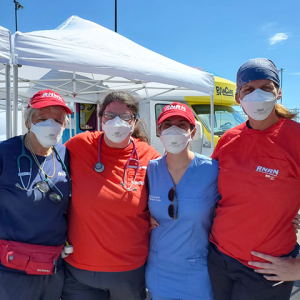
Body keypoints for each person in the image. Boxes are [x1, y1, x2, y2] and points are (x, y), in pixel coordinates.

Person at [207, 58, 300, 300]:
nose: (257, 95)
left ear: (278, 93)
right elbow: (211, 194)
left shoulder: (296, 139)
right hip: (219, 257)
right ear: (239, 97)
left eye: (266, 88)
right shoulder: (227, 140)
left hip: (267, 268)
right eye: (249, 89)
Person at [61, 91, 160, 300]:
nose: (117, 122)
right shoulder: (79, 145)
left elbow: (165, 195)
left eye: (124, 117)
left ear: (134, 121)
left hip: (129, 273)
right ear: (100, 118)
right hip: (80, 272)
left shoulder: (149, 156)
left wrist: (155, 212)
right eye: (110, 115)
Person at [0, 89, 72, 300]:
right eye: (42, 118)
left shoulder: (66, 155)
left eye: (57, 119)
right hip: (12, 268)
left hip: (53, 265)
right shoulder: (5, 153)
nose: (51, 124)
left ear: (65, 125)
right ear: (28, 122)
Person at [145, 102, 220, 300]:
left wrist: (280, 216)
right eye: (167, 124)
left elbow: (240, 203)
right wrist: (144, 216)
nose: (174, 130)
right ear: (159, 131)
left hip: (197, 271)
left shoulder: (212, 170)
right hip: (159, 269)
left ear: (192, 132)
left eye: (181, 125)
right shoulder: (150, 170)